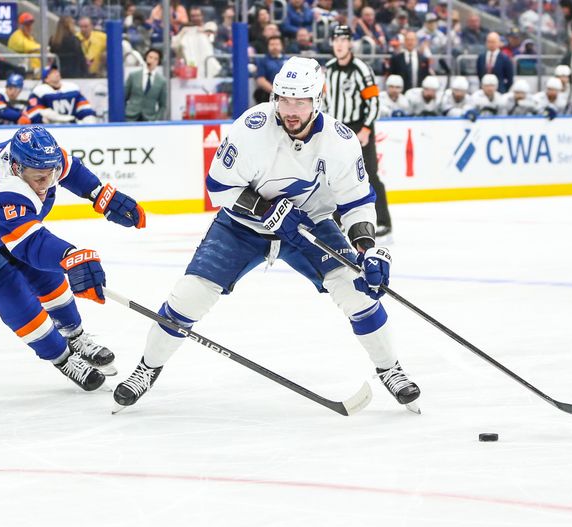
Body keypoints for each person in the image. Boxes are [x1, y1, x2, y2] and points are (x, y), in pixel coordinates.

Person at [111, 57, 420, 412]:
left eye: (300, 101)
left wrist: (368, 249)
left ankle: (390, 369)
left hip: (310, 227)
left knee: (359, 293)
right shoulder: (251, 127)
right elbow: (219, 186)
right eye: (284, 99)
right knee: (188, 298)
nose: (290, 110)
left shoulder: (340, 140)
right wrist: (264, 210)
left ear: (317, 99)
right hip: (241, 227)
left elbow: (357, 200)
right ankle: (146, 368)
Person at [0, 126, 146, 390]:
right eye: (38, 178)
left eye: (50, 175)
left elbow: (69, 168)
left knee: (46, 276)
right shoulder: (5, 191)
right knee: (7, 287)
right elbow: (31, 245)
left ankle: (74, 336)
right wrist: (72, 256)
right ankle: (62, 358)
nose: (46, 183)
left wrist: (100, 194)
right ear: (17, 168)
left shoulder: (40, 159)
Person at [324, 25, 391, 238]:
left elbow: (373, 101)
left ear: (350, 43)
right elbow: (325, 102)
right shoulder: (330, 68)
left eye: (343, 40)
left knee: (370, 174)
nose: (339, 44)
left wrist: (366, 129)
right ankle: (336, 221)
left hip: (358, 128)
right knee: (333, 177)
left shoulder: (361, 69)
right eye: (336, 40)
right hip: (336, 129)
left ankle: (383, 221)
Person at [25, 64, 96, 124]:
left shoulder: (72, 88)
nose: (57, 73)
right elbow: (34, 113)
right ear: (46, 79)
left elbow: (84, 108)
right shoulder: (39, 91)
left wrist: (88, 119)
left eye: (57, 71)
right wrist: (59, 118)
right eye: (52, 73)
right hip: (50, 129)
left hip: (72, 127)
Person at [124, 47, 166, 121]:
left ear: (158, 62)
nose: (152, 60)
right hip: (130, 117)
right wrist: (124, 113)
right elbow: (124, 97)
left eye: (155, 59)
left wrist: (157, 119)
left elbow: (163, 105)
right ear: (146, 58)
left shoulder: (161, 81)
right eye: (150, 57)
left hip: (149, 119)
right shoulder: (133, 76)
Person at [253, 35, 286, 104]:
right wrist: (275, 92)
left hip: (287, 94)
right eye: (272, 44)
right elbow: (261, 80)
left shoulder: (288, 61)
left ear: (282, 46)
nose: (274, 47)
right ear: (268, 46)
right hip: (268, 95)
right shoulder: (263, 61)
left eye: (277, 44)